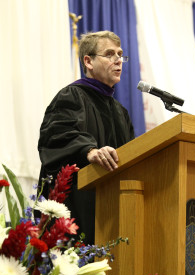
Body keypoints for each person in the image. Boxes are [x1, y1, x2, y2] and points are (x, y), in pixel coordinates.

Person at [38, 31, 135, 245]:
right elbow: (55, 137)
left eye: (120, 54)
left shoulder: (121, 112)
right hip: (76, 212)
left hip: (113, 214)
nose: (118, 60)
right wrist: (89, 151)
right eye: (110, 54)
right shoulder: (71, 96)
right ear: (88, 61)